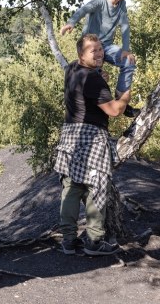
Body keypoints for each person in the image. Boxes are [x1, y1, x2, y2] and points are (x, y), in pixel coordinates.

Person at [54, 34, 130, 256]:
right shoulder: (94, 79)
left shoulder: (71, 69)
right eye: (92, 51)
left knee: (72, 186)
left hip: (69, 133)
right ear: (81, 54)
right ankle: (94, 242)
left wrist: (97, 72)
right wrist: (125, 93)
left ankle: (68, 241)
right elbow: (114, 111)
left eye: (100, 49)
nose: (99, 54)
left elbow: (86, 90)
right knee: (96, 186)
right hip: (91, 135)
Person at [60, 0, 138, 117]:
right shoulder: (100, 1)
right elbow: (83, 10)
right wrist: (71, 22)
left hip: (106, 47)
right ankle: (89, 111)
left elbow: (125, 26)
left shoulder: (122, 5)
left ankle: (122, 100)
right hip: (90, 46)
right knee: (95, 77)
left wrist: (126, 50)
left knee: (128, 61)